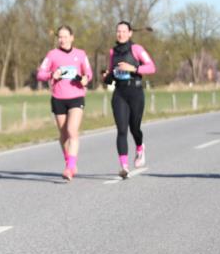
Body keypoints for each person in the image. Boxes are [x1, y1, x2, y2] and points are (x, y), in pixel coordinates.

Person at [37, 25, 93, 180]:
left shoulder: (80, 54)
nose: (62, 40)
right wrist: (51, 74)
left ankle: (69, 168)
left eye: (65, 36)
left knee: (72, 130)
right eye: (60, 37)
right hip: (58, 98)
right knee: (63, 135)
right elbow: (40, 74)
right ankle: (69, 161)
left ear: (72, 37)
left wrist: (85, 79)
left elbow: (89, 73)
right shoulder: (52, 55)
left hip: (76, 97)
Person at [102, 21, 156, 179]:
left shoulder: (137, 49)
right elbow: (111, 72)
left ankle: (140, 147)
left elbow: (152, 67)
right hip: (119, 92)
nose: (121, 34)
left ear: (130, 33)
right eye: (118, 31)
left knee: (135, 128)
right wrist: (107, 76)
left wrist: (133, 68)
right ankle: (124, 166)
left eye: (124, 31)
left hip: (135, 92)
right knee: (121, 130)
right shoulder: (113, 52)